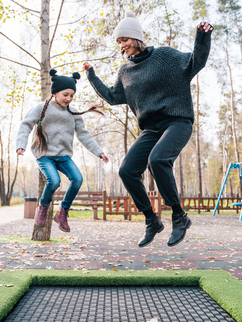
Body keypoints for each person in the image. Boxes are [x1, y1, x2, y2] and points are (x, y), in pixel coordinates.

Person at [83, 11, 213, 247]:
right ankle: (152, 221)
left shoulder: (164, 56)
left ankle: (179, 217)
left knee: (158, 160)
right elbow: (113, 97)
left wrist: (202, 36)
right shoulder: (125, 72)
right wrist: (91, 75)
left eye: (125, 39)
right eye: (119, 42)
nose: (122, 45)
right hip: (150, 130)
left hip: (177, 122)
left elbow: (196, 62)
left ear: (136, 37)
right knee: (127, 170)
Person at [16, 69, 109, 232]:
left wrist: (99, 152)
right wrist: (21, 145)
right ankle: (43, 207)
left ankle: (62, 212)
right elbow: (25, 124)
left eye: (72, 95)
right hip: (44, 155)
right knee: (54, 181)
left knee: (78, 179)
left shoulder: (73, 113)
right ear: (55, 93)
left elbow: (84, 135)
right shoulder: (42, 108)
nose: (69, 98)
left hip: (64, 156)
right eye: (65, 94)